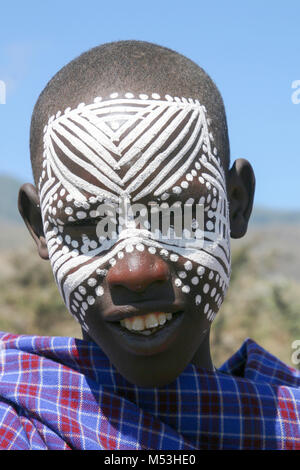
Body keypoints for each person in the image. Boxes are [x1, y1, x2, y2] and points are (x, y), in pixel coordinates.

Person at [0, 41, 299, 450]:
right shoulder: (16, 430)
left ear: (236, 205)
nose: (137, 271)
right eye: (89, 225)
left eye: (178, 215)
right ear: (40, 227)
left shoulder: (288, 424)